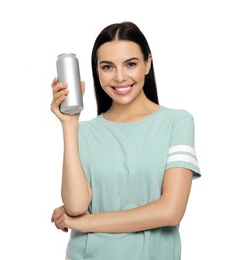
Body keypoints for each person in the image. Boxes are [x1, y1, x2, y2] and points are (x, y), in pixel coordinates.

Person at [51, 21, 201, 260]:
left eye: (130, 64)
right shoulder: (85, 132)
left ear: (147, 64)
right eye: (107, 67)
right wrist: (70, 125)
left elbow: (170, 211)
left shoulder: (177, 122)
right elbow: (76, 206)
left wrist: (88, 223)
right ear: (97, 71)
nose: (120, 77)